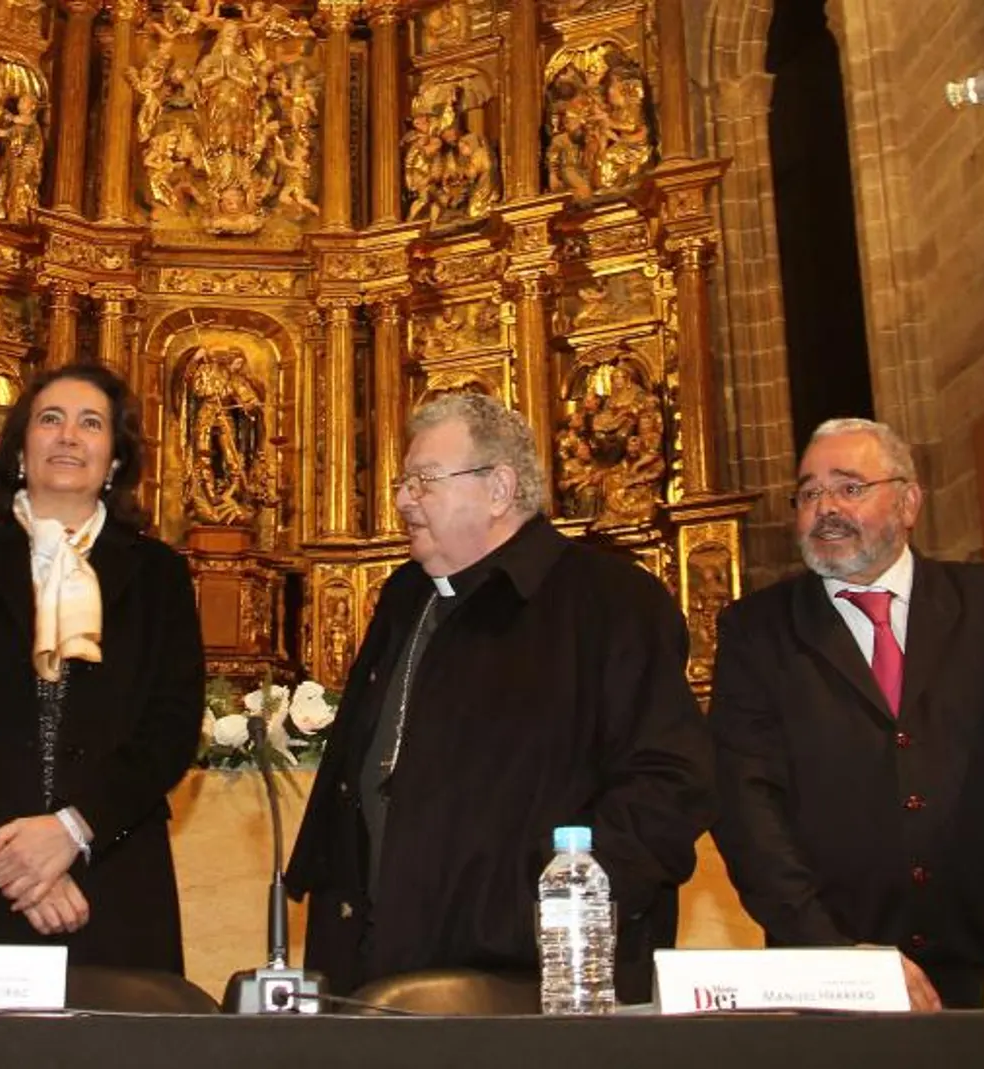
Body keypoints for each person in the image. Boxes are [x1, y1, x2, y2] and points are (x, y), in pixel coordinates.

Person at [286, 392, 714, 1001]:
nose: (403, 498)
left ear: (499, 488)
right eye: (405, 482)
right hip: (378, 966)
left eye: (424, 480)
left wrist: (542, 913)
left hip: (533, 979)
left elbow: (670, 784)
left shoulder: (612, 601)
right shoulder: (407, 594)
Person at [0, 365, 205, 972]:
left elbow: (171, 726)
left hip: (109, 874)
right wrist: (10, 855)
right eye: (49, 420)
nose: (68, 436)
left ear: (113, 460)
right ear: (20, 448)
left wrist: (73, 830)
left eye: (91, 423)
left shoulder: (159, 574)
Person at [709, 418, 984, 1011]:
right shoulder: (757, 632)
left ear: (909, 500)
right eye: (810, 492)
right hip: (836, 982)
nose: (825, 509)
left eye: (849, 487)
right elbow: (746, 809)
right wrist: (833, 955)